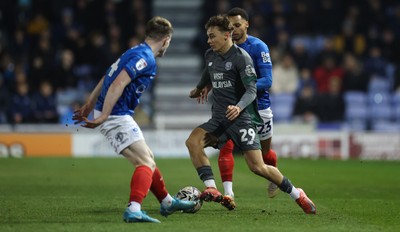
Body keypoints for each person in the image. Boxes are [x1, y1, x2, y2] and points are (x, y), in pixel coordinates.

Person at [186, 15, 316, 215]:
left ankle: (297, 194)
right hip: (219, 120)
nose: (209, 40)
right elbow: (208, 71)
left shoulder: (241, 58)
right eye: (208, 36)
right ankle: (212, 187)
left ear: (226, 35)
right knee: (193, 142)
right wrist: (199, 88)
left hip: (241, 119)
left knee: (258, 167)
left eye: (212, 36)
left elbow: (251, 90)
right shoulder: (210, 55)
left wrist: (238, 107)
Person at [72, 16, 196, 223]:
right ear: (166, 41)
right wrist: (103, 115)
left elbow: (106, 77)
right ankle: (134, 209)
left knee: (148, 158)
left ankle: (166, 201)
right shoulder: (145, 57)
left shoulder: (133, 51)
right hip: (115, 115)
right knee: (145, 163)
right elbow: (117, 83)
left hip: (117, 113)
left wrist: (90, 104)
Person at [196, 7, 280, 210]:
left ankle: (274, 175)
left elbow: (267, 80)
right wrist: (207, 85)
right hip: (231, 108)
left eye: (237, 25)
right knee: (225, 148)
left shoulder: (258, 47)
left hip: (258, 108)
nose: (233, 29)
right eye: (230, 25)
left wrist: (241, 86)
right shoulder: (222, 50)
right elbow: (213, 71)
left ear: (247, 25)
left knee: (265, 155)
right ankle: (228, 194)